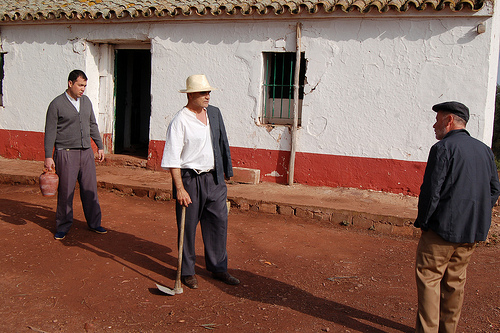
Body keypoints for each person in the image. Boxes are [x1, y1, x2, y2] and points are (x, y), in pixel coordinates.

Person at [414, 101, 500, 332]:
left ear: (449, 120)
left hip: (441, 231)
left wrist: (424, 221)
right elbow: (494, 190)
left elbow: (432, 191)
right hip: (471, 231)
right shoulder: (484, 150)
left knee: (430, 280)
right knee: (455, 282)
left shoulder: (442, 149)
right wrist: (477, 213)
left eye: (438, 119)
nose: (434, 125)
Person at [161, 74, 239, 289]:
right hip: (189, 180)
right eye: (204, 93)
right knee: (187, 227)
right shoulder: (180, 121)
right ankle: (187, 271)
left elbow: (222, 142)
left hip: (214, 178)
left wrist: (225, 174)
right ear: (191, 94)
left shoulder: (214, 113)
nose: (208, 96)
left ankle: (218, 268)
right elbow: (172, 159)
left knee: (218, 223)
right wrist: (179, 189)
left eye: (209, 92)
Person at [44, 69, 107, 240]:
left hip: (86, 153)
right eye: (80, 85)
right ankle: (63, 226)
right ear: (70, 83)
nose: (83, 89)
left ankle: (94, 223)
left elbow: (92, 124)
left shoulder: (86, 102)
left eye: (85, 86)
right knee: (66, 191)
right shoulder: (56, 104)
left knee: (90, 189)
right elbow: (50, 132)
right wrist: (48, 156)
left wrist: (99, 146)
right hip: (65, 153)